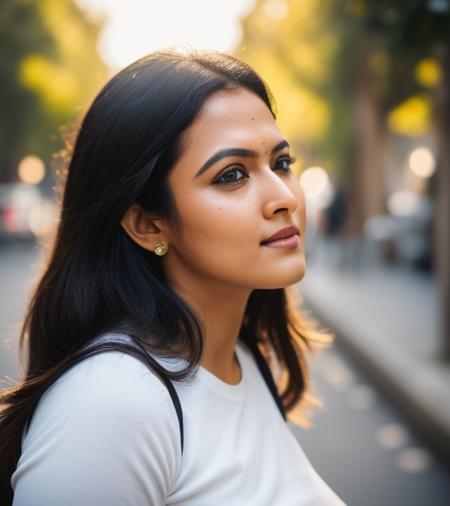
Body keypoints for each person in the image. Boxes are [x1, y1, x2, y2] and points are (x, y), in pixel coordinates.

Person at [0, 49, 346, 505]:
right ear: (148, 225)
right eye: (233, 175)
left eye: (281, 163)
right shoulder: (112, 401)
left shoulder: (238, 357)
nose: (284, 197)